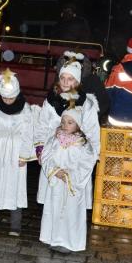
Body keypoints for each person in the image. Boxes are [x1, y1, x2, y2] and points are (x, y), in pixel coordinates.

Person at [35, 54, 100, 210]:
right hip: (54, 155)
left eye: (70, 79)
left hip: (75, 158)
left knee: (72, 201)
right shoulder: (50, 101)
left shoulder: (86, 104)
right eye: (62, 78)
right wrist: (40, 148)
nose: (65, 82)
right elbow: (42, 125)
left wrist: (93, 155)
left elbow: (92, 131)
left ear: (77, 82)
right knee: (54, 199)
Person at [0, 69, 37, 236]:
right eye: (5, 97)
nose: (8, 100)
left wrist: (25, 155)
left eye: (11, 98)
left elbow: (28, 131)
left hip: (16, 150)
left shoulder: (25, 108)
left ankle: (15, 225)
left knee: (15, 186)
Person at [39, 107, 97, 253]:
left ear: (78, 125)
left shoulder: (84, 144)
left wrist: (70, 175)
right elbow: (46, 156)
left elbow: (86, 163)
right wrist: (55, 171)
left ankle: (69, 242)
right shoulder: (54, 139)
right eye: (63, 122)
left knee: (71, 212)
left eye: (70, 122)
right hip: (57, 181)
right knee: (55, 209)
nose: (66, 125)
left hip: (72, 184)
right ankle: (53, 238)